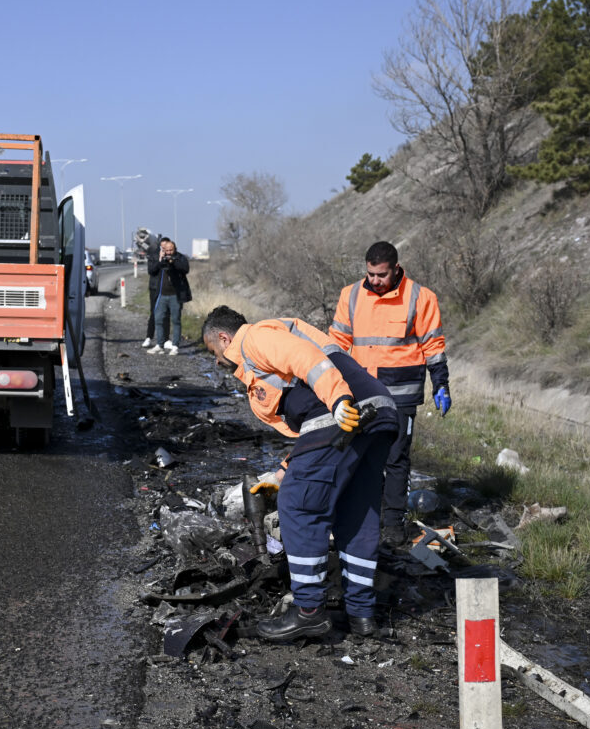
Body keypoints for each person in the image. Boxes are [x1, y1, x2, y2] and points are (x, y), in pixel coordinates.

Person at [201, 306, 398, 641]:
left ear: (224, 337)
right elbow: (314, 442)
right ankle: (362, 615)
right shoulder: (268, 350)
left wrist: (338, 401)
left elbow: (305, 359)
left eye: (214, 352)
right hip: (378, 410)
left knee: (298, 504)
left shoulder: (253, 339)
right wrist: (281, 472)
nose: (217, 361)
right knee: (356, 514)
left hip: (342, 411)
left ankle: (309, 611)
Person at [328, 241, 450, 546]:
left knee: (396, 459)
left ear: (396, 269)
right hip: (361, 393)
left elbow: (433, 345)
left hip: (402, 394)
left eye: (381, 275)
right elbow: (337, 343)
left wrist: (441, 384)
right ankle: (355, 516)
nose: (375, 280)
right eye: (370, 274)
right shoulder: (351, 295)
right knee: (355, 455)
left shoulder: (421, 298)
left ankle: (393, 523)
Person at [146, 237, 191, 355]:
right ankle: (159, 344)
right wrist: (161, 260)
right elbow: (152, 271)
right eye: (166, 251)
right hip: (162, 294)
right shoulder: (161, 258)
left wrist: (173, 262)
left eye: (171, 250)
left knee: (175, 320)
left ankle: (175, 346)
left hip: (175, 295)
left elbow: (185, 269)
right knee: (158, 319)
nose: (169, 253)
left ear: (175, 249)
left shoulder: (180, 257)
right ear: (163, 250)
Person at [139, 231, 164, 348]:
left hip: (166, 289)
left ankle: (165, 339)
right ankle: (149, 337)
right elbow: (151, 270)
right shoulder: (153, 255)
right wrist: (159, 261)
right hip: (154, 287)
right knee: (153, 313)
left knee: (165, 314)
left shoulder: (170, 256)